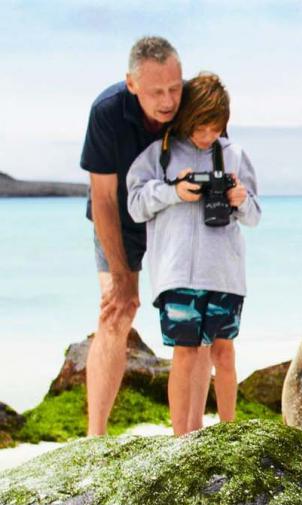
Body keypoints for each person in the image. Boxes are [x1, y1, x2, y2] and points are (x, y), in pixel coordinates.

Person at [127, 72, 261, 435]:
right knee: (184, 354)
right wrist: (174, 191)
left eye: (214, 128)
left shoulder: (234, 156)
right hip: (176, 274)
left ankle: (230, 432)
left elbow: (255, 216)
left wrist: (240, 199)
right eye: (201, 127)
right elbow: (135, 205)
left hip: (224, 275)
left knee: (224, 353)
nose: (206, 136)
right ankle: (181, 437)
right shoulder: (161, 155)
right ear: (188, 118)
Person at [81, 36, 185, 436]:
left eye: (174, 88)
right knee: (116, 310)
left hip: (172, 217)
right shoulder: (106, 112)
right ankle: (95, 437)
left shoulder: (191, 102)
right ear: (132, 84)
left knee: (190, 313)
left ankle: (186, 430)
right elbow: (103, 199)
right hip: (118, 220)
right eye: (156, 91)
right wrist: (122, 277)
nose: (168, 101)